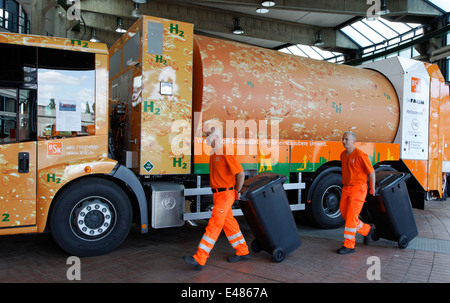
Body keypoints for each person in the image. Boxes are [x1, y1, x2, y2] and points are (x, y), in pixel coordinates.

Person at [183, 125, 250, 269]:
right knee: (229, 223)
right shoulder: (214, 153)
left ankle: (200, 258)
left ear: (215, 136)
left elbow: (240, 173)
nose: (205, 138)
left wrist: (237, 192)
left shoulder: (225, 151)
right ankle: (243, 250)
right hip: (219, 194)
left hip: (225, 195)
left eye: (207, 135)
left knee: (214, 224)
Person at [338, 131, 376, 254]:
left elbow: (371, 171)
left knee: (350, 217)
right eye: (343, 139)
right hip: (346, 188)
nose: (343, 141)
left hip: (358, 189)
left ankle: (349, 245)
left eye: (346, 139)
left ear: (353, 141)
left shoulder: (360, 155)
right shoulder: (343, 155)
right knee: (344, 214)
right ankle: (367, 230)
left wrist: (372, 188)